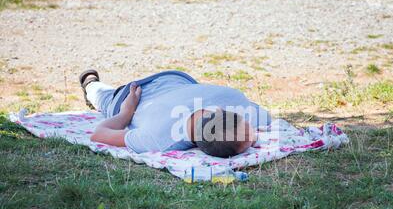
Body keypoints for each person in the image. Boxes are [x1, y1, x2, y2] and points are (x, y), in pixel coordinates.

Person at [79, 69, 271, 158]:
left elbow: (100, 134)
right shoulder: (159, 139)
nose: (253, 137)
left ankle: (91, 82)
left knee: (104, 95)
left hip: (168, 80)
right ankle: (91, 85)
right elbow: (99, 134)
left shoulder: (235, 101)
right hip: (142, 94)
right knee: (103, 97)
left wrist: (125, 111)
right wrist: (126, 113)